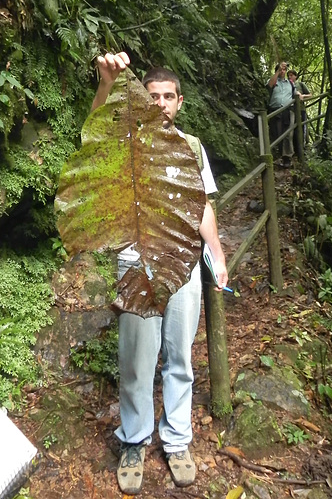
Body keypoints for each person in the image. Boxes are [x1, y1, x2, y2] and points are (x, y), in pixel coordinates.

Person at [92, 52, 228, 495]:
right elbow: (95, 135)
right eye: (154, 97)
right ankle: (133, 439)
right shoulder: (126, 140)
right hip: (136, 264)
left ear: (180, 102)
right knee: (136, 360)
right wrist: (106, 85)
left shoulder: (192, 147)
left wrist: (217, 253)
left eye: (169, 96)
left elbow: (202, 204)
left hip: (184, 267)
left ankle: (176, 438)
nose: (163, 103)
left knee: (180, 357)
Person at [267, 61, 295, 168]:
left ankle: (287, 157)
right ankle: (279, 157)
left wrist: (301, 96)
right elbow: (270, 85)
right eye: (280, 69)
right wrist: (278, 71)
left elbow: (295, 94)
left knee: (288, 134)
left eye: (284, 70)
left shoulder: (290, 83)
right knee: (278, 134)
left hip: (288, 110)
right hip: (275, 110)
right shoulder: (274, 81)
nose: (283, 71)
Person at [288, 69, 312, 146]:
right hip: (290, 110)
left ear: (295, 76)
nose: (289, 77)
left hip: (301, 109)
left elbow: (310, 94)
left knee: (301, 128)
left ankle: (303, 146)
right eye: (288, 75)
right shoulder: (287, 85)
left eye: (291, 75)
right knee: (292, 129)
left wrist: (303, 96)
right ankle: (295, 148)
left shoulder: (300, 84)